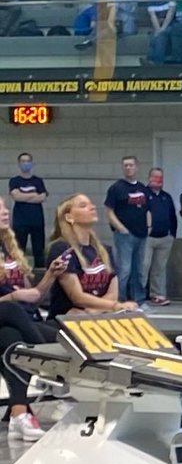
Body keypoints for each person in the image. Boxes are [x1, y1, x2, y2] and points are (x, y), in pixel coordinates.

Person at [0, 196, 64, 441]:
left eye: (6, 208)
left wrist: (50, 275)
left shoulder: (10, 247)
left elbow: (35, 296)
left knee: (12, 338)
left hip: (15, 325)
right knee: (14, 310)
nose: (6, 212)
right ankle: (44, 358)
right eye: (1, 209)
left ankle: (18, 414)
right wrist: (14, 296)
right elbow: (19, 298)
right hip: (9, 312)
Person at [46, 194, 135, 320]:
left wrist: (92, 312)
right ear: (69, 217)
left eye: (91, 204)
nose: (92, 207)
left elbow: (112, 294)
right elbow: (77, 297)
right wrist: (115, 306)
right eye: (83, 206)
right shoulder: (61, 249)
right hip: (66, 319)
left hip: (94, 316)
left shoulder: (105, 250)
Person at [103, 155, 149, 306]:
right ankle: (119, 299)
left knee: (139, 270)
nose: (128, 168)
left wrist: (149, 226)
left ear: (137, 167)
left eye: (131, 165)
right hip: (124, 236)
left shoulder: (143, 188)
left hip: (141, 235)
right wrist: (121, 228)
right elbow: (109, 211)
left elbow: (148, 209)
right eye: (125, 165)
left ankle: (138, 300)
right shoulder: (116, 188)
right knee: (124, 270)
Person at [142, 167, 177, 305]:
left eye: (160, 178)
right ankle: (138, 295)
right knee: (143, 267)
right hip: (147, 238)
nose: (158, 180)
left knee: (159, 268)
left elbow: (172, 216)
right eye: (155, 177)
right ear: (149, 178)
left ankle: (157, 295)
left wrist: (172, 234)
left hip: (165, 238)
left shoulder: (166, 197)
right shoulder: (143, 194)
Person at [8, 152, 47, 270]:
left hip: (37, 221)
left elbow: (42, 197)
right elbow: (16, 197)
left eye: (28, 161)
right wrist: (34, 195)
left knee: (39, 250)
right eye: (23, 161)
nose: (26, 163)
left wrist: (23, 196)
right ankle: (18, 273)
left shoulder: (38, 181)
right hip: (20, 221)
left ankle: (40, 274)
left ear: (32, 163)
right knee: (19, 249)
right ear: (19, 164)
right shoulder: (14, 180)